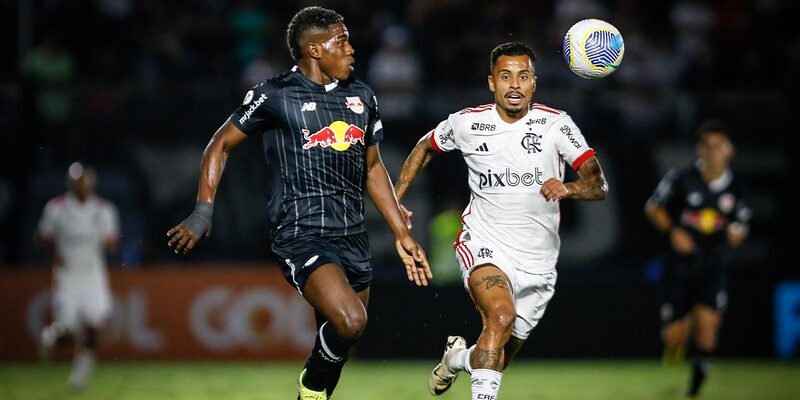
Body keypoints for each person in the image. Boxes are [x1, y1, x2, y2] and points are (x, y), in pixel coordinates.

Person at [166, 6, 431, 400]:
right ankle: (308, 385)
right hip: (301, 232)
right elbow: (220, 144)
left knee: (341, 337)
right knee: (351, 322)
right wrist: (204, 210)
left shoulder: (362, 95)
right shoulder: (274, 94)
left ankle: (313, 395)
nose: (352, 49)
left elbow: (373, 168)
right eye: (341, 41)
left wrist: (400, 232)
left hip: (353, 235)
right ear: (314, 49)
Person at [394, 42, 608, 399]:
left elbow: (597, 184)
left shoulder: (556, 124)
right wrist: (395, 199)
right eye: (505, 76)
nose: (514, 85)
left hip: (539, 261)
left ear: (534, 83)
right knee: (501, 318)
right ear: (491, 82)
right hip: (485, 243)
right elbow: (425, 147)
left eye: (522, 77)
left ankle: (456, 360)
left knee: (497, 356)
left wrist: (569, 189)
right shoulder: (468, 123)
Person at [644, 120, 751, 400]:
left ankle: (693, 393)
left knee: (708, 329)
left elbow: (740, 224)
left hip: (712, 264)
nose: (714, 151)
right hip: (678, 265)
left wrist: (735, 234)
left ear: (730, 150)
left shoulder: (736, 189)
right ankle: (679, 331)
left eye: (720, 146)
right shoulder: (681, 178)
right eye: (709, 146)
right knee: (675, 336)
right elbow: (653, 207)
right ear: (699, 149)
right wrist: (674, 230)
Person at [36, 161, 120, 391]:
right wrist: (53, 254)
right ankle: (51, 336)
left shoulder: (104, 209)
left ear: (91, 182)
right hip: (67, 277)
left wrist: (111, 244)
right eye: (78, 180)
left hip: (93, 277)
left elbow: (112, 241)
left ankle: (78, 379)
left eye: (85, 179)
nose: (82, 184)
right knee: (68, 332)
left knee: (94, 329)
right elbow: (42, 237)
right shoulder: (56, 209)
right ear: (70, 183)